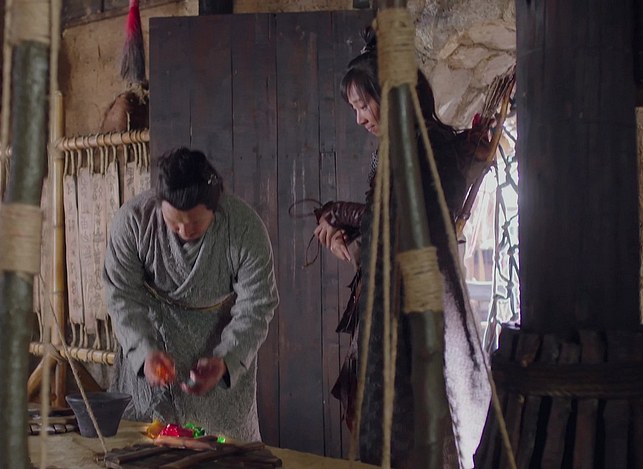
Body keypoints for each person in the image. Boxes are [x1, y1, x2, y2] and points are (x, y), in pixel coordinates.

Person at [314, 29, 491, 468]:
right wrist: (349, 232)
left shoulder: (430, 148)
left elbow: (405, 225)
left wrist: (345, 221)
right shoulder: (395, 149)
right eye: (355, 109)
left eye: (364, 105)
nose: (360, 119)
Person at [103, 147, 279, 442]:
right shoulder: (133, 221)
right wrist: (144, 352)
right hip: (154, 340)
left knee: (224, 449)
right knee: (146, 445)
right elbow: (122, 295)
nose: (184, 231)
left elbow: (257, 304)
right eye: (174, 222)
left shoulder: (243, 227)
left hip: (219, 342)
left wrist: (227, 360)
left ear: (215, 206)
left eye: (195, 223)